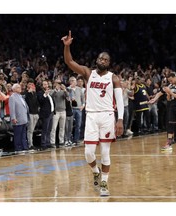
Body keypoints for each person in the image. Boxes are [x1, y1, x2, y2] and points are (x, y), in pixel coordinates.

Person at [62, 30, 124, 196]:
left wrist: (120, 120)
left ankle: (104, 183)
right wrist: (67, 47)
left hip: (107, 116)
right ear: (96, 60)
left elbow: (119, 101)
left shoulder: (113, 78)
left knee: (105, 152)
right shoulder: (88, 73)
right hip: (91, 115)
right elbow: (69, 61)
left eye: (105, 59)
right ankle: (95, 171)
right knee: (88, 153)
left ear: (109, 63)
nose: (102, 60)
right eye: (100, 58)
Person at [9, 84, 29, 153]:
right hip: (18, 119)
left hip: (24, 118)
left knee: (23, 134)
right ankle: (18, 148)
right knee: (18, 134)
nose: (20, 88)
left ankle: (24, 147)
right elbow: (12, 109)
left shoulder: (21, 96)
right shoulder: (12, 97)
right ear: (14, 89)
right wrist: (13, 118)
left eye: (20, 87)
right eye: (18, 87)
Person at [37, 80, 55, 150]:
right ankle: (43, 144)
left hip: (51, 113)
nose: (46, 85)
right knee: (45, 129)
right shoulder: (40, 93)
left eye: (46, 84)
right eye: (44, 84)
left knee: (49, 129)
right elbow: (40, 101)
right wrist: (45, 94)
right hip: (45, 114)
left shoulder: (49, 93)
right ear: (42, 85)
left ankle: (48, 142)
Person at [24, 79, 40, 151]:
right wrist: (29, 93)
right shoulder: (26, 93)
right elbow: (27, 102)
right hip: (30, 113)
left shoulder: (34, 93)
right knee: (30, 130)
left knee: (32, 130)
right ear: (27, 85)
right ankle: (30, 144)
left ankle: (31, 143)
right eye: (29, 84)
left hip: (36, 113)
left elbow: (37, 103)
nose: (31, 85)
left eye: (32, 84)